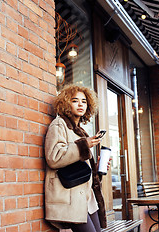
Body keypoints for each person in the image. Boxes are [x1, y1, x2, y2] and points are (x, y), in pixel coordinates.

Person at [44, 84, 108, 232]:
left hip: (86, 197)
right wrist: (83, 145)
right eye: (75, 100)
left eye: (84, 101)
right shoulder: (59, 124)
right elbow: (54, 157)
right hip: (70, 197)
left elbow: (78, 165)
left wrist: (98, 168)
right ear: (66, 103)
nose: (80, 104)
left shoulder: (80, 131)